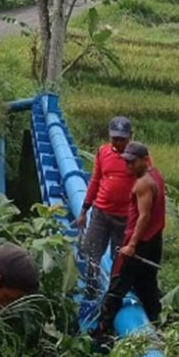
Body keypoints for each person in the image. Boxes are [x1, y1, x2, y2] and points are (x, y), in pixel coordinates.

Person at [94, 141, 165, 338]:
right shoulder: (156, 176)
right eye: (126, 162)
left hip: (139, 243)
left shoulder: (143, 183)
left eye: (133, 162)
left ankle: (100, 334)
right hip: (154, 241)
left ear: (144, 160)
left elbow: (144, 216)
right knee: (148, 285)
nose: (129, 167)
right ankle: (156, 325)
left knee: (116, 288)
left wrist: (132, 245)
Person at [76, 116, 136, 302]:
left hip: (125, 217)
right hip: (101, 212)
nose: (118, 143)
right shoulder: (103, 152)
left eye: (122, 139)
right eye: (115, 138)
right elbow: (95, 181)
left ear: (130, 137)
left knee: (119, 258)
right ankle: (91, 291)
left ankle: (114, 295)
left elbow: (147, 184)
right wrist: (84, 210)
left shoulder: (139, 156)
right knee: (92, 252)